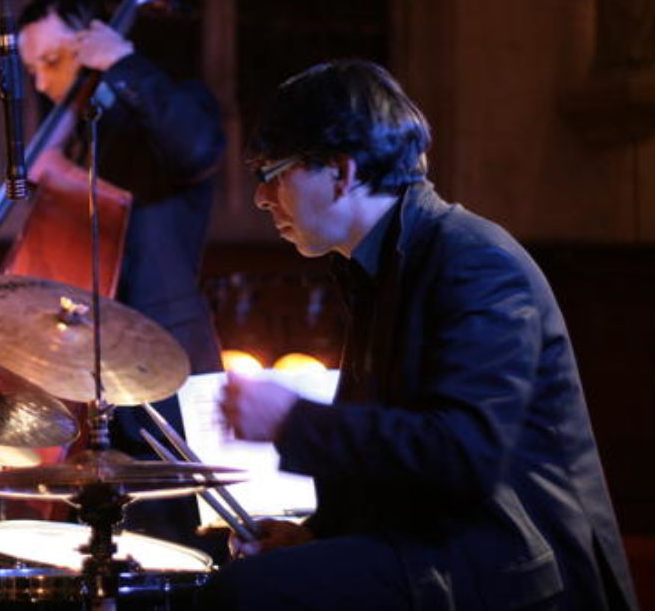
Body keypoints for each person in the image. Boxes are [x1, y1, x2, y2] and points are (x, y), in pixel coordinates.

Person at [208, 59, 637, 608]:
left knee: (242, 594)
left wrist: (290, 419)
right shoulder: (381, 265)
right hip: (447, 544)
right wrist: (317, 534)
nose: (260, 198)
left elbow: (462, 454)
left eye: (271, 172)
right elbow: (403, 459)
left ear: (341, 172)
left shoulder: (475, 260)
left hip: (520, 566)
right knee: (251, 575)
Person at [17, 0, 226, 550]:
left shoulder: (164, 113)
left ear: (91, 43)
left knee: (183, 543)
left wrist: (123, 61)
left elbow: (198, 147)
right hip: (90, 375)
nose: (39, 83)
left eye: (51, 60)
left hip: (168, 362)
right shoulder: (87, 134)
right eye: (31, 68)